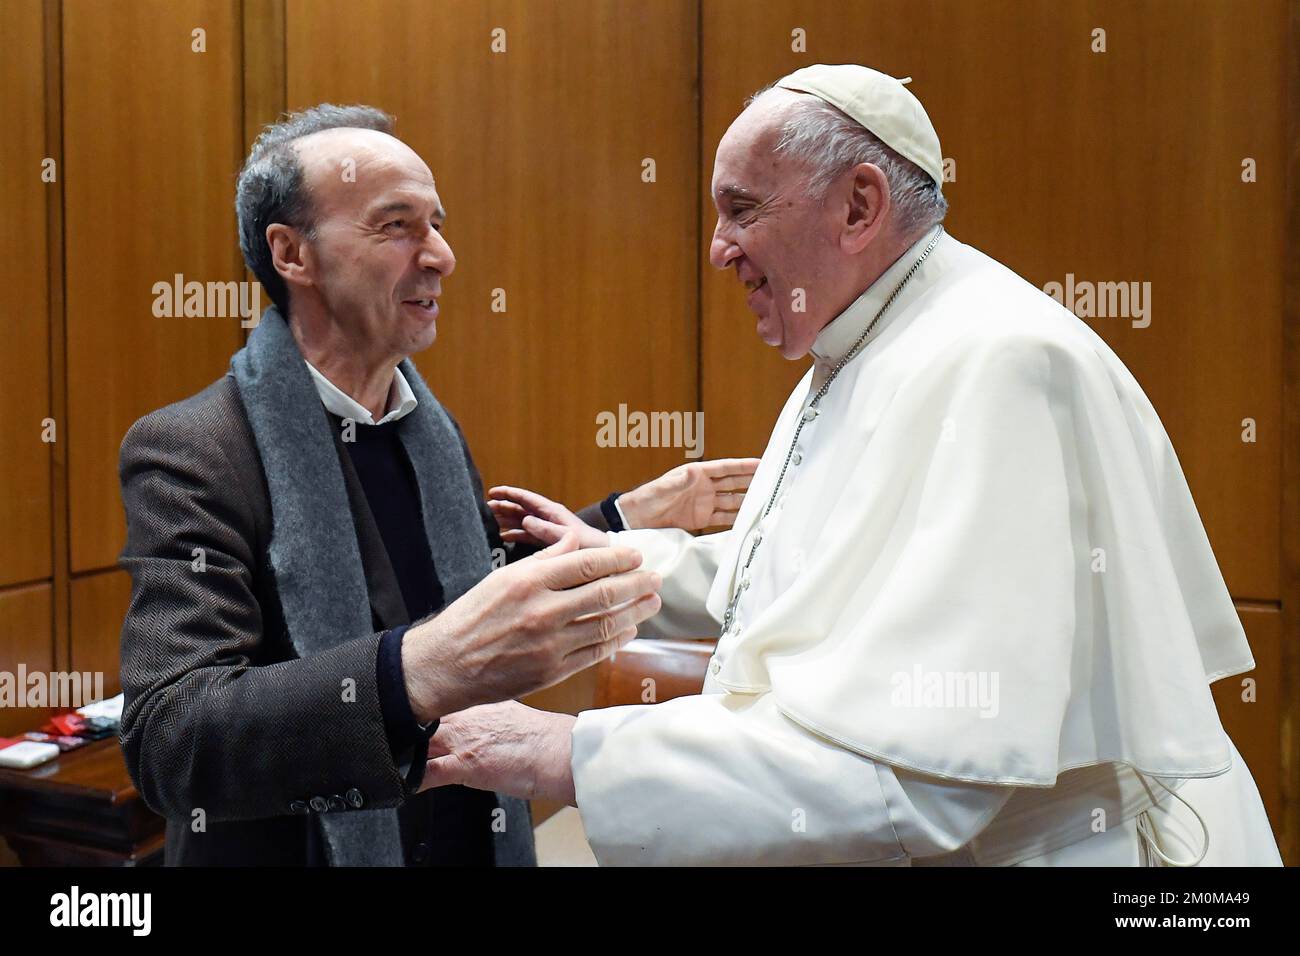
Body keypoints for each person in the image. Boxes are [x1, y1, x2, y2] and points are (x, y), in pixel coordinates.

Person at [421, 66, 1283, 866]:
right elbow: (821, 570)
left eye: (741, 208)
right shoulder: (869, 338)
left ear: (859, 206)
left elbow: (927, 772)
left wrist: (570, 754)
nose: (719, 248)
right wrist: (623, 560)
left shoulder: (999, 363)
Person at [118, 103, 755, 866]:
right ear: (293, 254)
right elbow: (171, 740)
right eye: (397, 226)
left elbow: (449, 599)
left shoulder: (428, 427)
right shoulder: (194, 449)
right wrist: (415, 672)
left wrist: (617, 520)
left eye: (438, 223)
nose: (442, 256)